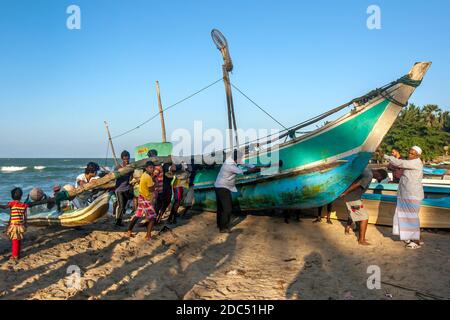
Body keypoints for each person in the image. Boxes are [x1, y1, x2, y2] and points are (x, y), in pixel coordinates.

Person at [384, 146, 424, 249]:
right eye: (409, 153)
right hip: (406, 194)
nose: (409, 155)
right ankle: (410, 238)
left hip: (412, 194)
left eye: (412, 154)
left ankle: (416, 241)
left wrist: (386, 156)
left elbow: (399, 163)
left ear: (418, 155)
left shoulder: (415, 162)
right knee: (405, 216)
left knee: (411, 218)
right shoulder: (411, 161)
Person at [214, 150, 262, 233]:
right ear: (236, 158)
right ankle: (223, 228)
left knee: (221, 207)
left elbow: (246, 164)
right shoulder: (229, 165)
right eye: (240, 158)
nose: (241, 160)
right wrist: (259, 169)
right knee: (227, 209)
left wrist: (256, 167)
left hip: (218, 186)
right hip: (222, 188)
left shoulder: (232, 159)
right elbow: (244, 172)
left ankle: (220, 224)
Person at [339, 168, 386, 245]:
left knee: (359, 215)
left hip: (354, 198)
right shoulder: (369, 175)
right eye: (378, 178)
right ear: (379, 175)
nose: (377, 179)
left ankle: (355, 233)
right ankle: (361, 240)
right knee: (364, 217)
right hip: (352, 198)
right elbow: (357, 184)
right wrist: (345, 193)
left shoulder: (366, 170)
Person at [126, 161, 157, 240]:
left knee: (138, 215)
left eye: (153, 167)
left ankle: (129, 231)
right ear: (146, 168)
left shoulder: (144, 175)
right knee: (153, 217)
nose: (152, 169)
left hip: (141, 197)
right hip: (145, 199)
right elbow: (151, 189)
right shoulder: (148, 177)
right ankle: (148, 235)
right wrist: (155, 183)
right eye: (150, 167)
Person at [0, 188, 28, 261]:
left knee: (14, 241)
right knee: (18, 240)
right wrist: (25, 224)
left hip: (14, 225)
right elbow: (25, 216)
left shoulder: (12, 203)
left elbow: (4, 207)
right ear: (21, 196)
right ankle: (17, 254)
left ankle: (15, 256)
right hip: (20, 225)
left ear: (12, 196)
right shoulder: (24, 205)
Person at [114, 151, 134, 226]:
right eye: (125, 158)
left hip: (127, 188)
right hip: (119, 189)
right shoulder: (118, 167)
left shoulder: (131, 167)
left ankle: (120, 219)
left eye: (127, 158)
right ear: (122, 158)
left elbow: (131, 177)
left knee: (124, 206)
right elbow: (114, 176)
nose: (126, 160)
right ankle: (118, 221)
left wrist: (132, 181)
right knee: (121, 205)